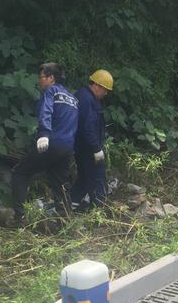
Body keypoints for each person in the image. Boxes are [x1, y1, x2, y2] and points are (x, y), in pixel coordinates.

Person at [11, 63, 78, 223]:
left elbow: (46, 111)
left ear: (51, 78)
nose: (39, 80)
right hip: (67, 147)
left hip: (51, 143)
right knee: (60, 184)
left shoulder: (51, 91)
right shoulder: (73, 99)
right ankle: (66, 222)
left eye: (41, 77)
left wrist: (43, 134)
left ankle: (19, 218)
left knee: (20, 173)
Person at [71, 69, 113, 212]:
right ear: (96, 85)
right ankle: (98, 211)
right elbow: (87, 127)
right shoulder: (87, 99)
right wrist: (96, 148)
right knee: (97, 177)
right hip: (88, 148)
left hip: (82, 147)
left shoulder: (84, 96)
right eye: (105, 90)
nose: (106, 93)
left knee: (84, 177)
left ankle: (71, 203)